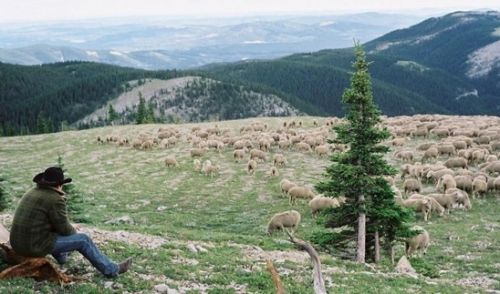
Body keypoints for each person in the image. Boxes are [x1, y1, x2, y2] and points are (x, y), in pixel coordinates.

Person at [10, 167, 132, 277]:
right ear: (59, 185)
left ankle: (62, 258)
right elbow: (64, 229)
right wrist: (75, 236)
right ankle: (112, 270)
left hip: (17, 243)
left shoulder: (31, 192)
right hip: (32, 247)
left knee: (55, 232)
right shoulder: (55, 199)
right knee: (83, 240)